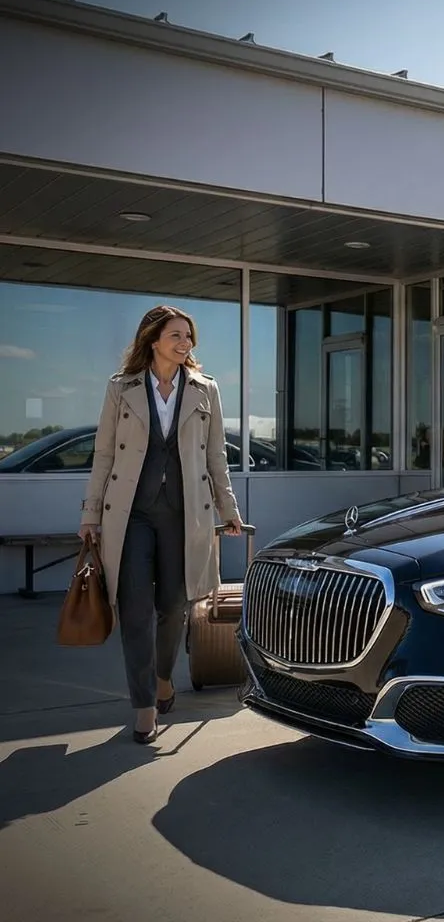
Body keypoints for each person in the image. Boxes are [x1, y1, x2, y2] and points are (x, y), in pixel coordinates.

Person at [77, 305, 245, 744]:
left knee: (174, 605)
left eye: (188, 335)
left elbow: (215, 457)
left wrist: (228, 509)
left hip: (184, 513)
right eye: (176, 335)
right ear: (153, 340)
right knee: (134, 610)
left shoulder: (205, 390)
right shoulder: (122, 389)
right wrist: (90, 513)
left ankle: (165, 674)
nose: (185, 342)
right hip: (130, 513)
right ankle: (144, 705)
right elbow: (104, 455)